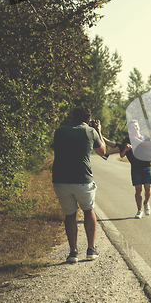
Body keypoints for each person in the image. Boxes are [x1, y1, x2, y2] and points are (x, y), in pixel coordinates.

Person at [52, 106, 106, 263]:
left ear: (71, 117)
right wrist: (98, 131)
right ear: (88, 120)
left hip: (60, 180)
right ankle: (90, 249)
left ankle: (73, 253)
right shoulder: (90, 131)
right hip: (83, 180)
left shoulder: (59, 131)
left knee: (70, 215)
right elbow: (102, 151)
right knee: (88, 211)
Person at [120, 121, 151, 219]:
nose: (135, 128)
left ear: (139, 127)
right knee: (138, 190)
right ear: (130, 129)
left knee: (148, 188)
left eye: (136, 126)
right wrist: (125, 148)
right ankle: (139, 210)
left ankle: (146, 203)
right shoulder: (127, 139)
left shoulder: (146, 138)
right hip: (135, 168)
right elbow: (121, 154)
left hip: (146, 167)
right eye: (132, 127)